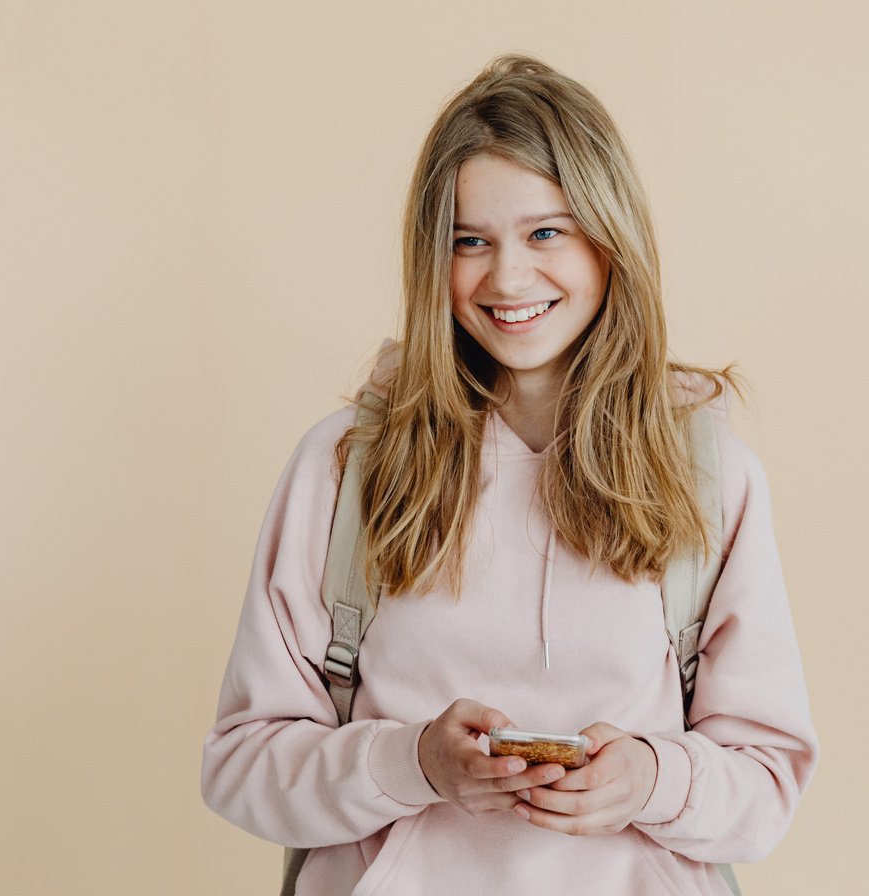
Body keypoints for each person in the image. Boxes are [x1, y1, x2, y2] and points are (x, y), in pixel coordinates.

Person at [200, 53, 819, 895]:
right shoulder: (345, 467)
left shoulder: (710, 480)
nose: (508, 276)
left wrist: (650, 779)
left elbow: (768, 782)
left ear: (610, 239)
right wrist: (411, 761)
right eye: (469, 241)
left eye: (545, 232)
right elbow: (241, 764)